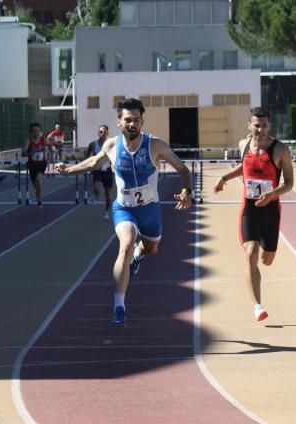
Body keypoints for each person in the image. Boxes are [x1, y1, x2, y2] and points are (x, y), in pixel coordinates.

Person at [55, 98, 193, 327]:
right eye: (127, 120)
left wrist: (187, 191)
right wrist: (69, 170)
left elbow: (182, 169)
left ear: (142, 122)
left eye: (136, 120)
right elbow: (93, 162)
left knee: (152, 249)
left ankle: (139, 255)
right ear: (119, 122)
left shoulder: (155, 145)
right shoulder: (111, 146)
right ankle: (119, 305)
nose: (132, 124)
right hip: (124, 209)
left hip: (150, 209)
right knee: (125, 245)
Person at [213, 107, 294, 322]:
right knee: (250, 253)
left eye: (265, 125)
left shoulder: (280, 150)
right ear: (249, 126)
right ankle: (257, 306)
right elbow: (245, 167)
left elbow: (290, 183)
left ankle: (261, 264)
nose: (261, 129)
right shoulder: (244, 145)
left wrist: (272, 194)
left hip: (271, 210)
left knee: (266, 260)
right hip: (249, 209)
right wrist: (224, 178)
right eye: (257, 125)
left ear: (270, 126)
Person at [86, 124, 114, 219]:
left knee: (108, 196)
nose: (103, 133)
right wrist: (88, 166)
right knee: (98, 189)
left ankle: (107, 212)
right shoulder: (93, 144)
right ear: (98, 133)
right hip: (97, 170)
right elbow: (87, 156)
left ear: (107, 133)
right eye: (101, 132)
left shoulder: (111, 144)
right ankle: (96, 194)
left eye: (105, 132)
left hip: (108, 171)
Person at [22, 122, 49, 208]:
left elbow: (51, 145)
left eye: (38, 131)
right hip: (32, 165)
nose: (36, 133)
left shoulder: (43, 140)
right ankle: (38, 195)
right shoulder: (28, 140)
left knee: (39, 179)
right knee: (35, 185)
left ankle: (40, 202)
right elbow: (23, 153)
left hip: (42, 163)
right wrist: (30, 153)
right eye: (34, 131)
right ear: (31, 132)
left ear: (40, 131)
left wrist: (53, 153)